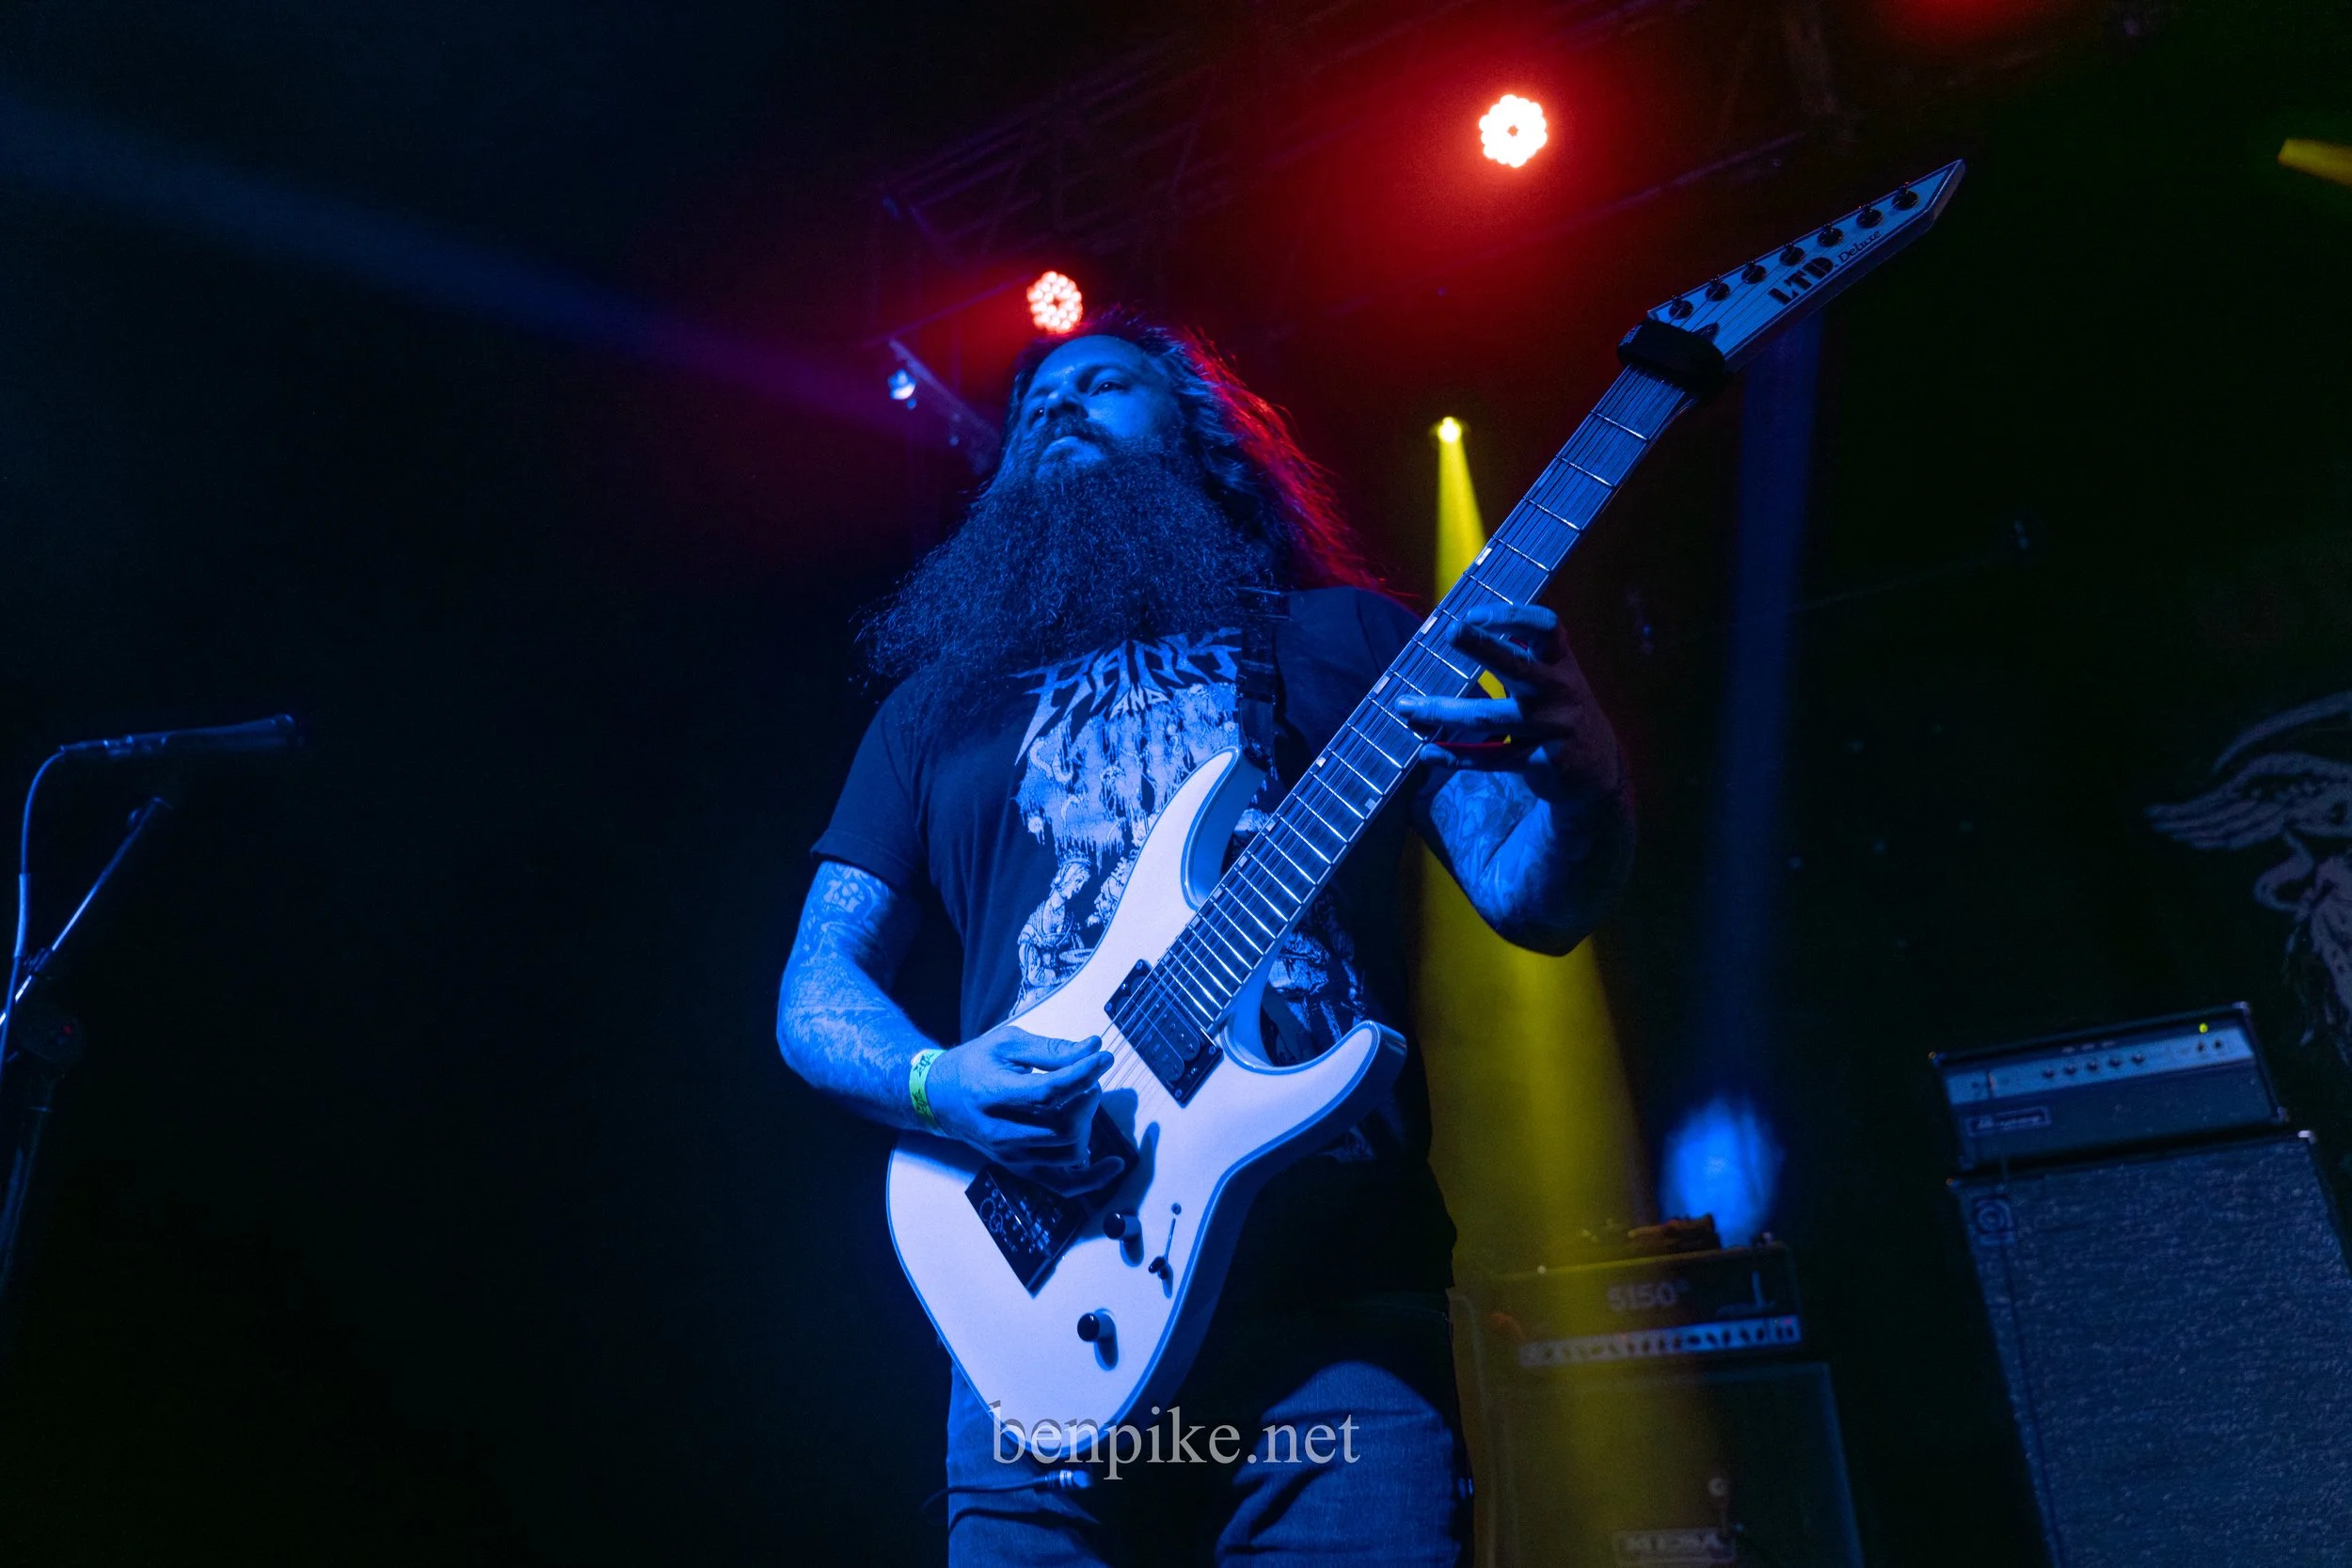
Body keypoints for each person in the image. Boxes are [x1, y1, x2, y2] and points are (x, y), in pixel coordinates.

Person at [776, 310, 1634, 1566]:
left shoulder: (1345, 641)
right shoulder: (931, 713)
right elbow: (815, 987)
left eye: (1105, 384)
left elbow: (1530, 896)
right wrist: (935, 1080)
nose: (1058, 407)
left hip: (1333, 1326)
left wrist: (1586, 776)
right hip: (1039, 1324)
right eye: (1033, 405)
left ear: (1202, 437)